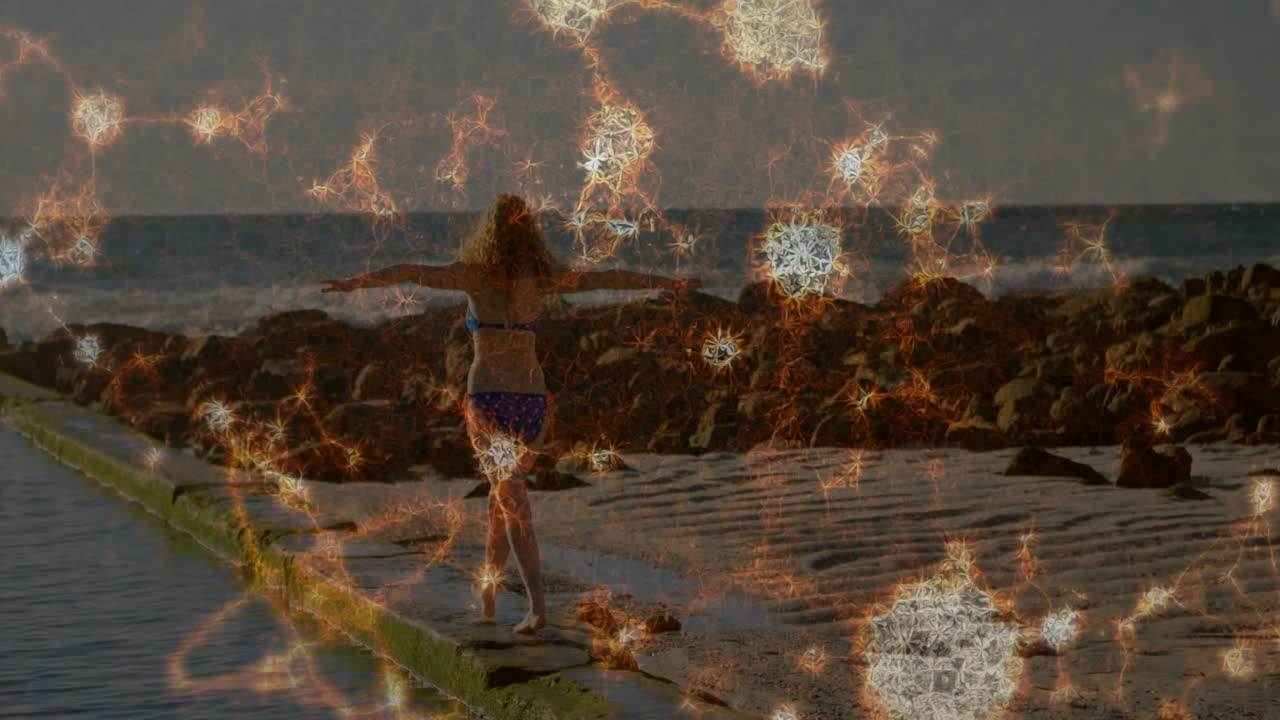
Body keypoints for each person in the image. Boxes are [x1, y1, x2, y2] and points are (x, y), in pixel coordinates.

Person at [322, 193, 701, 633]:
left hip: (489, 404)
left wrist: (354, 283)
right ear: (529, 231)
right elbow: (609, 277)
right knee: (502, 500)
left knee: (512, 500)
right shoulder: (543, 276)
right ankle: (489, 590)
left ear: (491, 230)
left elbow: (408, 272)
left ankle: (536, 607)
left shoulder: (473, 274)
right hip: (531, 404)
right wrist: (666, 282)